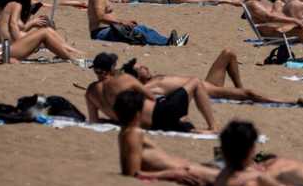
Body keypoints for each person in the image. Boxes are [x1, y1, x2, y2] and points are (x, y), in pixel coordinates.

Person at [86, 52, 215, 132]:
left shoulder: (90, 92)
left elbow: (94, 120)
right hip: (161, 114)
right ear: (112, 68)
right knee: (196, 82)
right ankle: (213, 127)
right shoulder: (124, 79)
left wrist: (112, 121)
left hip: (146, 125)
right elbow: (151, 98)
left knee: (184, 123)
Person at [124, 49, 303, 105]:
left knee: (229, 53)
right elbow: (132, 94)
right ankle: (291, 101)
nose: (145, 67)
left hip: (206, 83)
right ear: (136, 77)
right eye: (140, 68)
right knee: (249, 94)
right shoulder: (148, 87)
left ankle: (237, 88)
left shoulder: (155, 78)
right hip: (206, 91)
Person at [115, 90, 219, 186]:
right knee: (228, 175)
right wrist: (172, 174)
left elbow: (129, 168)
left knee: (222, 161)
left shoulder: (125, 132)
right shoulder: (133, 133)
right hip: (188, 172)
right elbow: (133, 173)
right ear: (138, 113)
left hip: (188, 168)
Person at [0, 0, 82, 61]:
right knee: (46, 32)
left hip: (5, 45)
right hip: (12, 48)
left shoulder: (6, 6)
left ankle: (70, 50)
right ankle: (70, 55)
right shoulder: (17, 5)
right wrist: (21, 41)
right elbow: (13, 25)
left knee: (48, 32)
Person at [88, 0, 188, 46]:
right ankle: (168, 43)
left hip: (108, 29)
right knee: (136, 32)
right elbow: (100, 16)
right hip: (100, 33)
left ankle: (168, 41)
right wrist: (122, 22)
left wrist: (124, 22)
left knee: (142, 28)